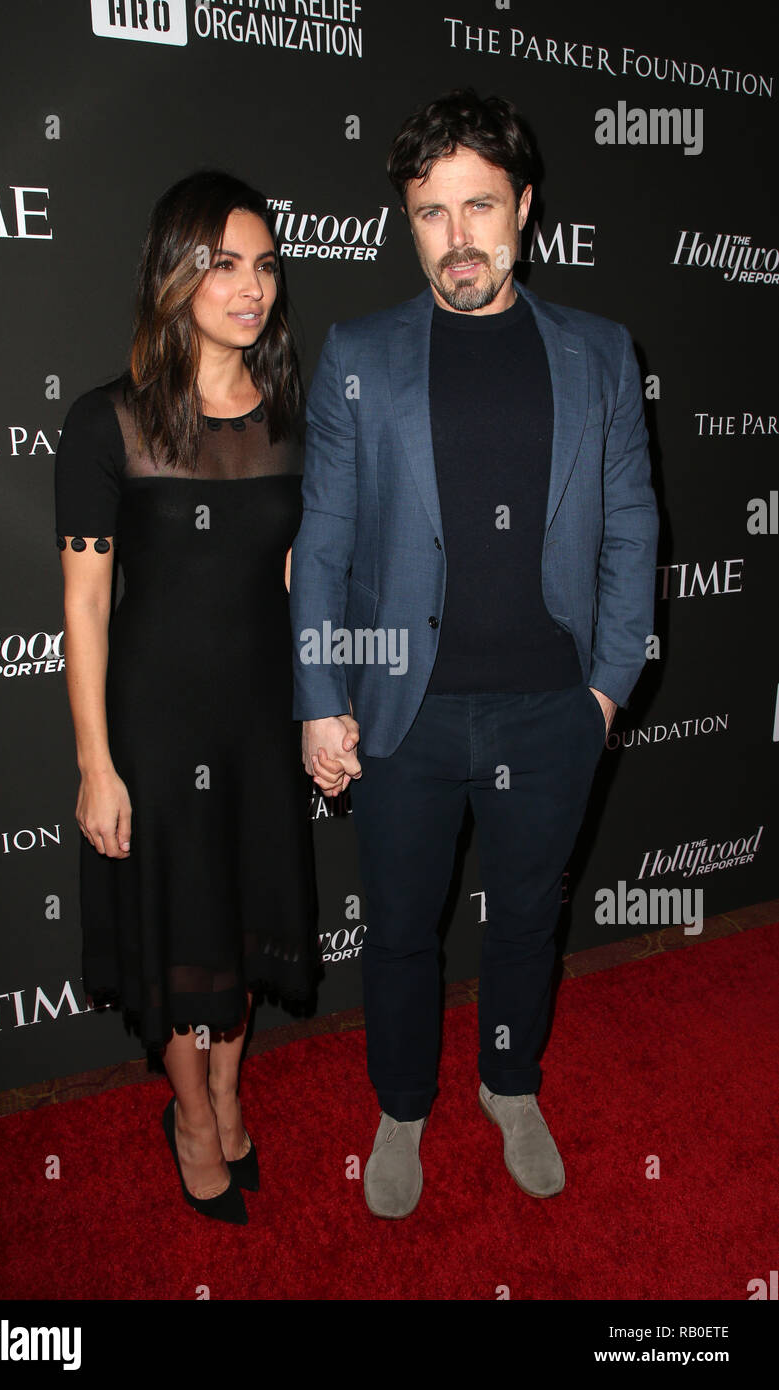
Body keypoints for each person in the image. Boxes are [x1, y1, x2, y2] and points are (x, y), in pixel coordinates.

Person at [290, 89, 658, 1218]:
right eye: (431, 212)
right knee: (400, 927)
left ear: (524, 207)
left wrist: (604, 690)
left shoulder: (599, 352)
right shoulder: (362, 354)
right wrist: (320, 697)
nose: (457, 236)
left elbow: (636, 523)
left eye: (479, 206)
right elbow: (329, 540)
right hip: (407, 711)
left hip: (552, 706)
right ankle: (403, 1102)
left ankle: (510, 1084)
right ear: (410, 221)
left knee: (526, 918)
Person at [55, 170, 317, 1225]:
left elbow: (306, 585)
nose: (248, 287)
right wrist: (96, 762)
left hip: (258, 723)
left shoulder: (297, 426)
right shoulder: (105, 423)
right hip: (155, 732)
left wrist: (325, 708)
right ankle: (193, 1116)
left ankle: (230, 1087)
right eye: (220, 263)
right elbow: (85, 607)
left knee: (246, 925)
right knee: (181, 937)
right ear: (175, 273)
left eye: (262, 265)